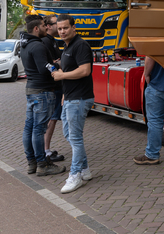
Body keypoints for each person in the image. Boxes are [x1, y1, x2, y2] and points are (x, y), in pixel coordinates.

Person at [52, 14, 94, 194]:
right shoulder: (66, 46)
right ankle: (85, 170)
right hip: (69, 97)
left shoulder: (81, 45)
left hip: (79, 98)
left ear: (73, 27)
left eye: (65, 28)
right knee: (69, 134)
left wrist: (61, 75)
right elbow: (71, 71)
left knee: (75, 138)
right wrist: (64, 94)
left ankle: (75, 175)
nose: (62, 31)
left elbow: (85, 70)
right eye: (59, 28)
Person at [20, 15, 66, 177]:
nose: (47, 28)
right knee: (39, 129)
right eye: (43, 25)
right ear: (36, 28)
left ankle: (31, 163)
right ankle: (42, 164)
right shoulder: (38, 46)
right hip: (43, 92)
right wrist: (57, 65)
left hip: (31, 90)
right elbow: (44, 68)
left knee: (29, 127)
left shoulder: (24, 45)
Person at [42, 14, 65, 162]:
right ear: (49, 26)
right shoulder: (46, 42)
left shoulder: (53, 41)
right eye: (57, 23)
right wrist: (57, 63)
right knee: (51, 119)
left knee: (53, 119)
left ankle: (46, 150)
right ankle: (46, 151)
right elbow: (51, 63)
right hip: (52, 87)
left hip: (55, 86)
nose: (60, 26)